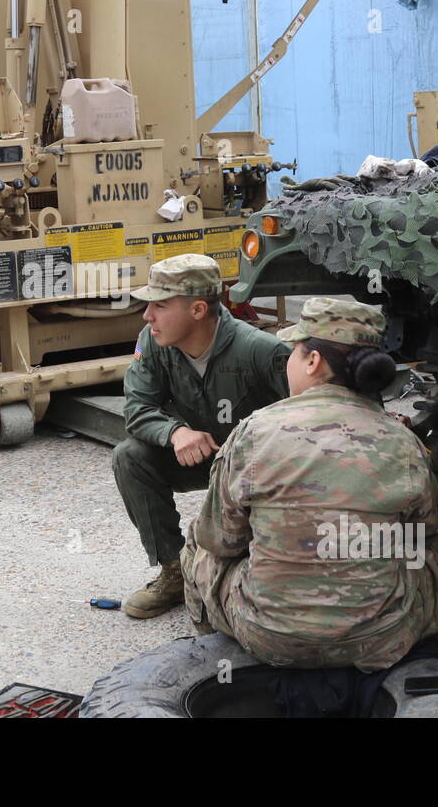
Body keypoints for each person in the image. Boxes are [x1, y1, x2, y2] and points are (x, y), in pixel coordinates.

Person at [181, 297, 438, 671]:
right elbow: (423, 532)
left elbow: (221, 539)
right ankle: (433, 663)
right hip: (381, 637)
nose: (289, 362)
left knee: (197, 540)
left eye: (294, 351)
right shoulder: (402, 440)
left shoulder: (253, 431)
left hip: (266, 635)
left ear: (313, 360)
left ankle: (214, 664)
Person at [115, 253, 291, 618]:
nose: (147, 316)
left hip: (259, 469)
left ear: (197, 310)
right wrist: (175, 431)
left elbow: (314, 412)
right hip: (201, 458)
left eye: (159, 306)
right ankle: (175, 573)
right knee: (130, 457)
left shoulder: (260, 350)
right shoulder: (152, 343)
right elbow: (136, 409)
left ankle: (269, 569)